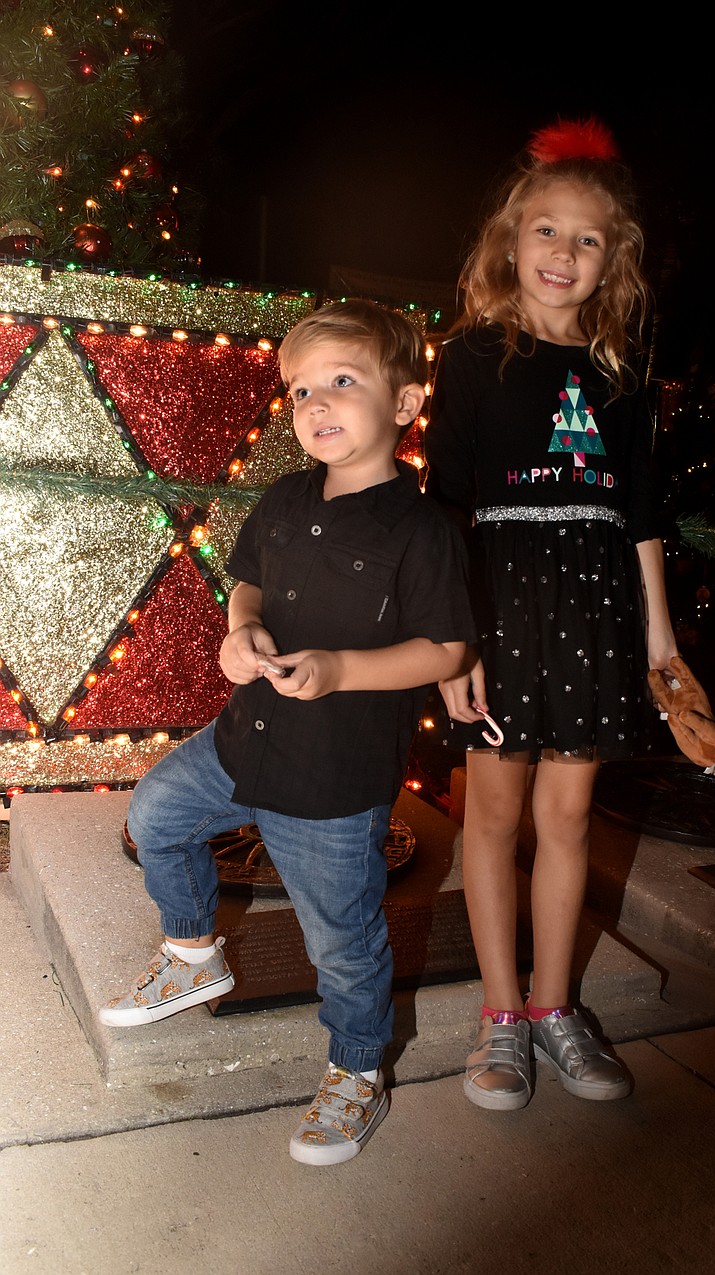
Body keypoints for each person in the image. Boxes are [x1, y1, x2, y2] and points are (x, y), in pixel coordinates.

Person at [98, 298, 477, 1164]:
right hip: (244, 739)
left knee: (341, 942)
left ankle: (356, 1071)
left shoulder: (422, 533)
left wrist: (342, 670)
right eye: (301, 388)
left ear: (407, 405)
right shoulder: (280, 497)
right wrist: (241, 631)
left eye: (343, 382)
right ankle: (194, 949)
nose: (316, 404)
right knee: (156, 812)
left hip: (332, 782)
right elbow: (249, 584)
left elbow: (447, 645)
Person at [424, 117, 678, 1111]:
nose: (563, 254)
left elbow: (642, 513)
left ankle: (552, 1009)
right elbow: (444, 504)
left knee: (568, 816)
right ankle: (498, 1019)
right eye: (546, 231)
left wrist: (658, 640)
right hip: (496, 602)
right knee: (491, 812)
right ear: (509, 238)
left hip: (596, 604)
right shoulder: (472, 359)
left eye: (587, 238)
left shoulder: (619, 377)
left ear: (611, 258)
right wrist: (451, 638)